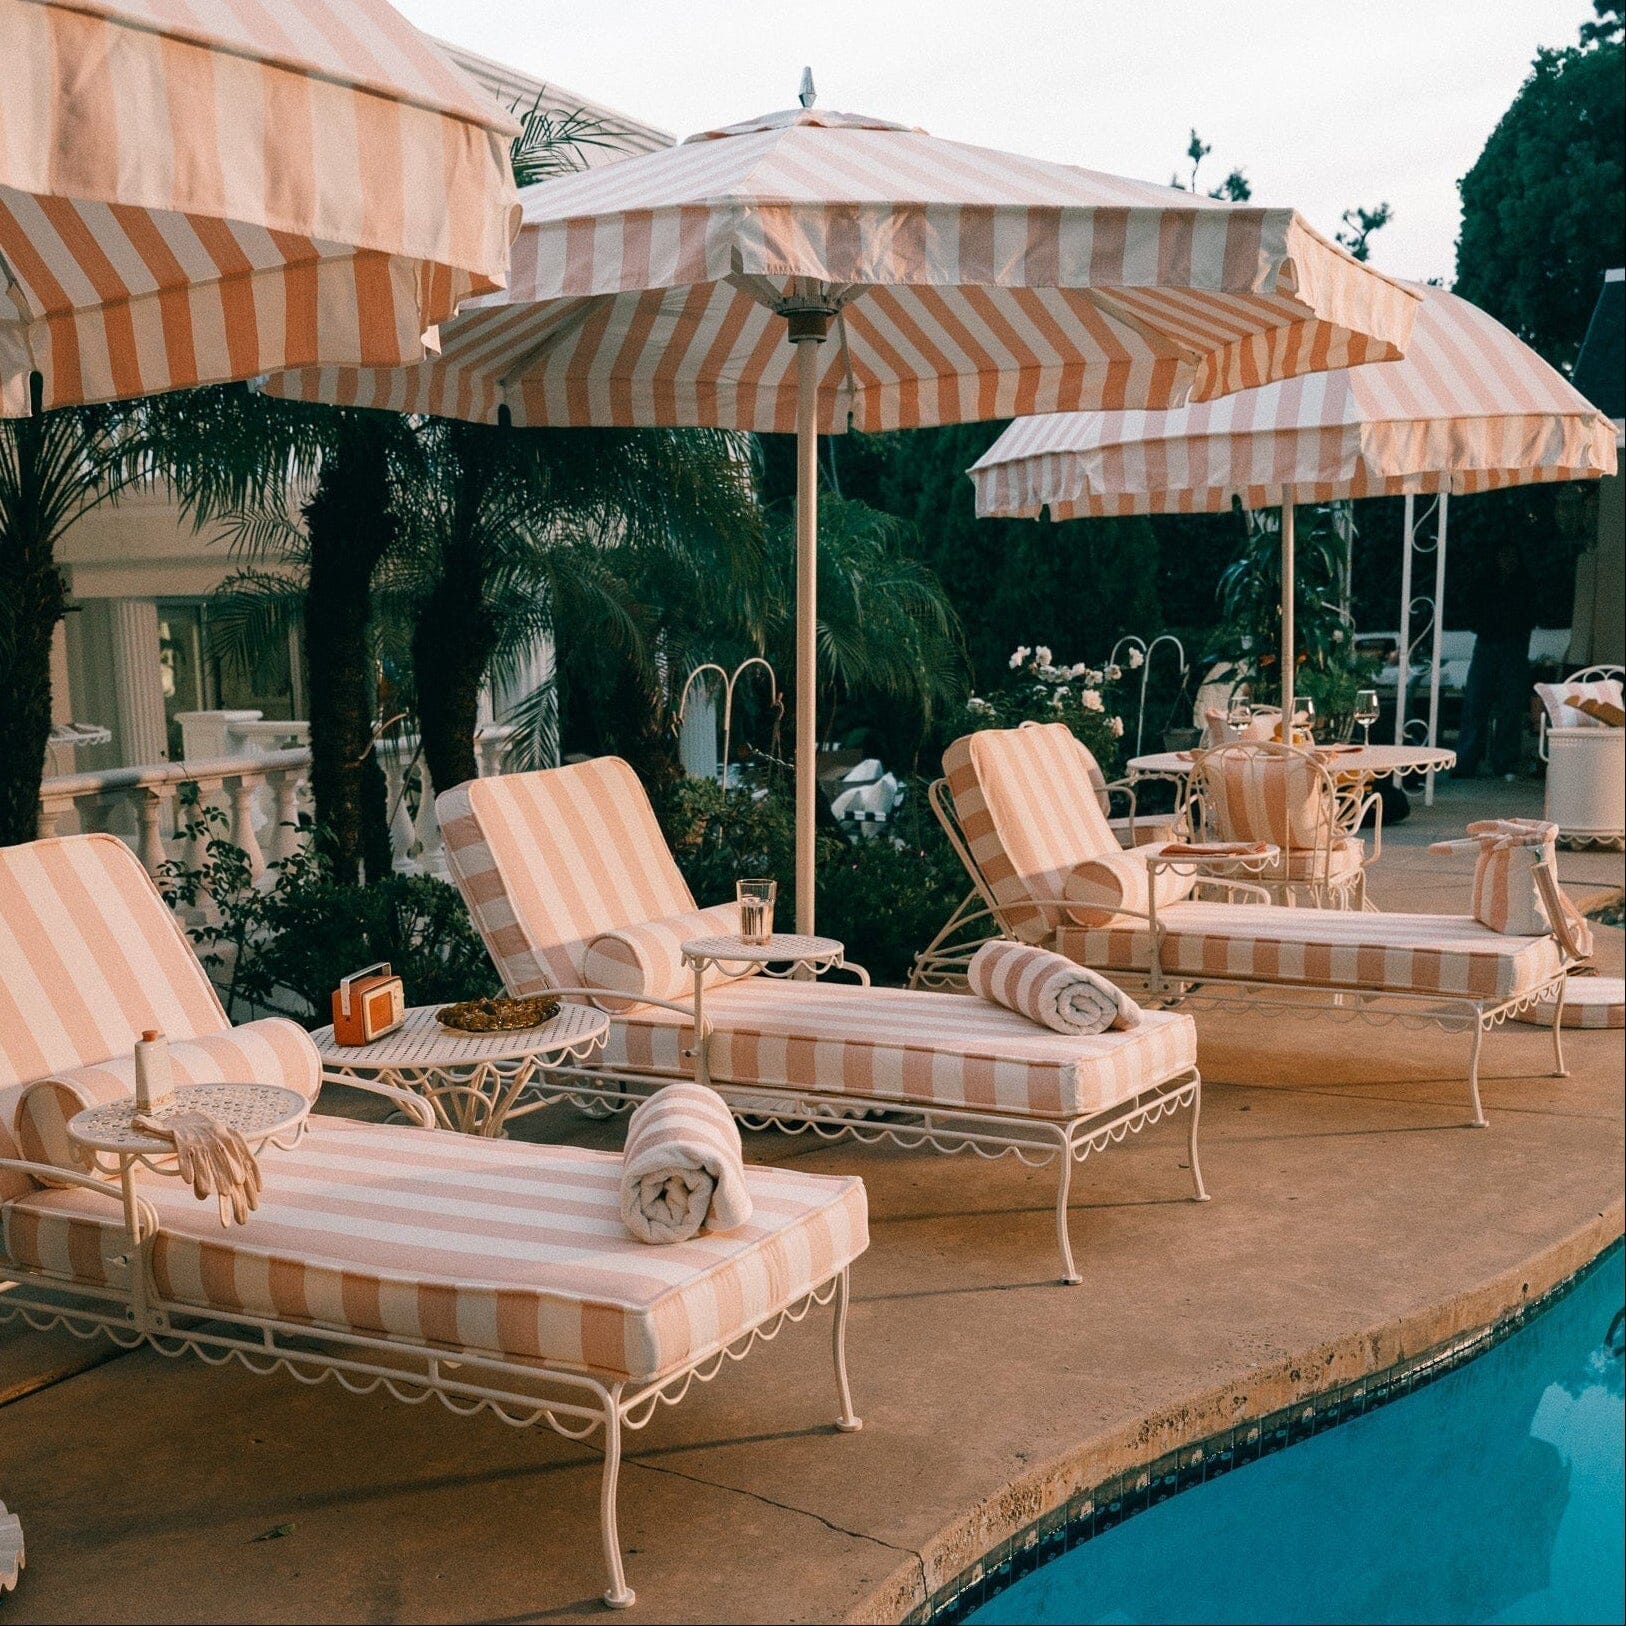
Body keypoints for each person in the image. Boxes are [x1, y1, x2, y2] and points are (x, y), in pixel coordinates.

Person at [1453, 541, 1537, 780]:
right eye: (1504, 555)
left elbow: (1529, 612)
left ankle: (1504, 762)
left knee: (1510, 704)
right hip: (1489, 643)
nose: (1507, 561)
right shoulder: (1486, 583)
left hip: (1511, 646)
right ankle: (1467, 760)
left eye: (1511, 556)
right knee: (1476, 701)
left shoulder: (1522, 584)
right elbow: (1471, 607)